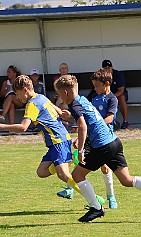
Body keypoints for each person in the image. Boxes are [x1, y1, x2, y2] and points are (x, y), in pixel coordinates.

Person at [0, 75, 104, 208]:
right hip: (56, 142)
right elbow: (59, 111)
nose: (18, 98)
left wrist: (0, 126)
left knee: (63, 175)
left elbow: (24, 127)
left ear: (25, 89)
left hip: (58, 141)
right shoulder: (41, 97)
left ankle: (94, 199)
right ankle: (70, 159)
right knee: (41, 172)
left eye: (18, 94)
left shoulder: (32, 104)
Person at [54, 72, 141, 222]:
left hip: (102, 146)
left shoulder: (75, 104)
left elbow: (83, 126)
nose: (61, 98)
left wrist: (81, 149)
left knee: (77, 175)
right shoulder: (82, 100)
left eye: (60, 95)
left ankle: (96, 208)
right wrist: (70, 116)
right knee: (126, 180)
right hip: (114, 142)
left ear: (65, 92)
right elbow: (89, 119)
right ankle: (96, 207)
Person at [57, 68, 118, 209]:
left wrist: (95, 124)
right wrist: (72, 120)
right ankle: (69, 188)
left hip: (104, 137)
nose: (95, 88)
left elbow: (109, 118)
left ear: (107, 84)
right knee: (74, 158)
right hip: (91, 134)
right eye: (94, 85)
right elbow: (83, 120)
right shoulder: (92, 98)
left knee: (105, 167)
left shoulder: (112, 99)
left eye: (97, 85)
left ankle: (111, 196)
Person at [102, 59, 129, 129]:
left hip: (118, 95)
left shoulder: (118, 75)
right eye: (105, 68)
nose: (108, 69)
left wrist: (111, 97)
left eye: (109, 67)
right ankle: (106, 122)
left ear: (112, 67)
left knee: (121, 97)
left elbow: (121, 90)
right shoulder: (101, 76)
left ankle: (125, 121)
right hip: (106, 95)